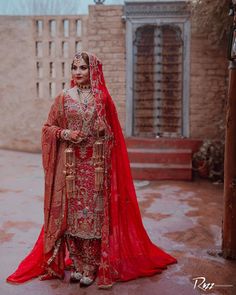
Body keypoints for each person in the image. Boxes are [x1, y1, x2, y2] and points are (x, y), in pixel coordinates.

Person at [6, 51, 177, 288]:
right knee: (72, 215)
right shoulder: (63, 98)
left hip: (96, 168)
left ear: (93, 70)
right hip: (70, 167)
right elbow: (48, 128)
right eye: (75, 68)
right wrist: (66, 133)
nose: (78, 72)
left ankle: (92, 266)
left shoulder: (102, 98)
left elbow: (114, 136)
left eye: (83, 68)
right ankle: (76, 264)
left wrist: (102, 130)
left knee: (94, 216)